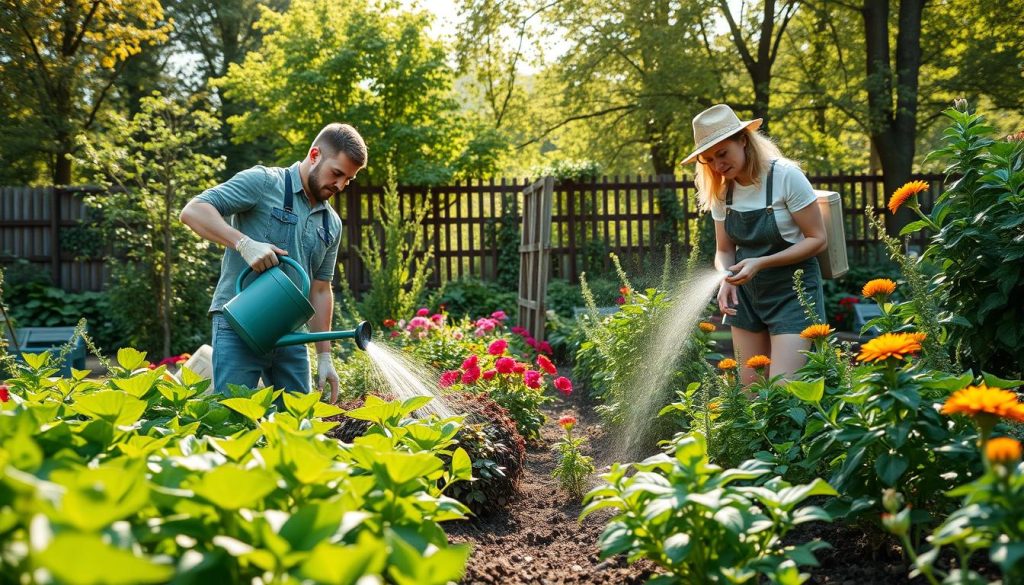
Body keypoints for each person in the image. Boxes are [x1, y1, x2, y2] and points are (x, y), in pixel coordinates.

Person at [180, 123, 367, 403]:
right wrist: (244, 243)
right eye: (337, 173)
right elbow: (193, 211)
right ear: (315, 155)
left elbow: (319, 289)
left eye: (348, 180)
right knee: (234, 418)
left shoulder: (331, 223)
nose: (340, 185)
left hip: (291, 332)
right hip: (239, 322)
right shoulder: (264, 182)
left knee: (297, 421)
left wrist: (325, 355)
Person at [683, 104, 826, 385]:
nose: (717, 165)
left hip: (793, 294)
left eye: (722, 154)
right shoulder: (723, 191)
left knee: (786, 391)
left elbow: (817, 239)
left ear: (744, 140)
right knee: (751, 396)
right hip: (746, 298)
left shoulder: (786, 176)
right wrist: (726, 277)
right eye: (709, 159)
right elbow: (724, 250)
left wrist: (761, 262)